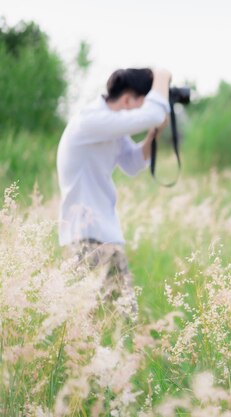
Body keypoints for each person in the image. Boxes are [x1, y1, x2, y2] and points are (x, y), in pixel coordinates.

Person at [56, 67, 172, 320]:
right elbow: (154, 112)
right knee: (99, 320)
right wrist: (161, 75)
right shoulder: (92, 120)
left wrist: (154, 133)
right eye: (142, 102)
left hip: (101, 233)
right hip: (87, 234)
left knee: (115, 321)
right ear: (129, 99)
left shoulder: (109, 126)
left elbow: (132, 164)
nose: (142, 113)